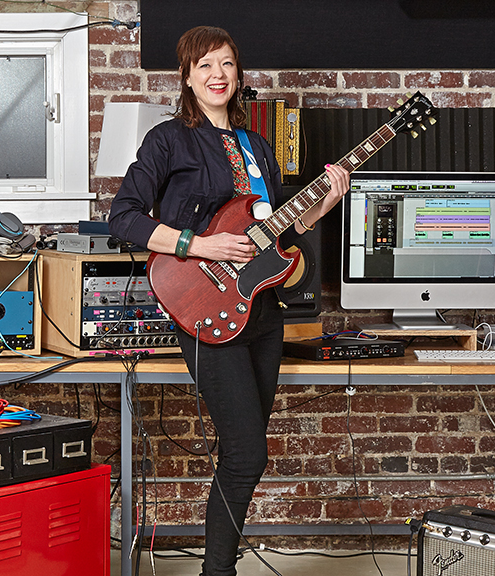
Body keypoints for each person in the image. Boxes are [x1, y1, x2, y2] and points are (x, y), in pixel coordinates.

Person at [108, 25, 350, 576]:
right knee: (247, 454)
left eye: (226, 64)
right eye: (205, 65)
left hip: (261, 313)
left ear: (238, 75)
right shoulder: (167, 140)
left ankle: (218, 568)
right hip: (205, 308)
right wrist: (199, 244)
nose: (217, 75)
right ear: (187, 77)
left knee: (243, 455)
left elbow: (279, 231)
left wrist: (325, 202)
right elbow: (123, 218)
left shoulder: (257, 145)